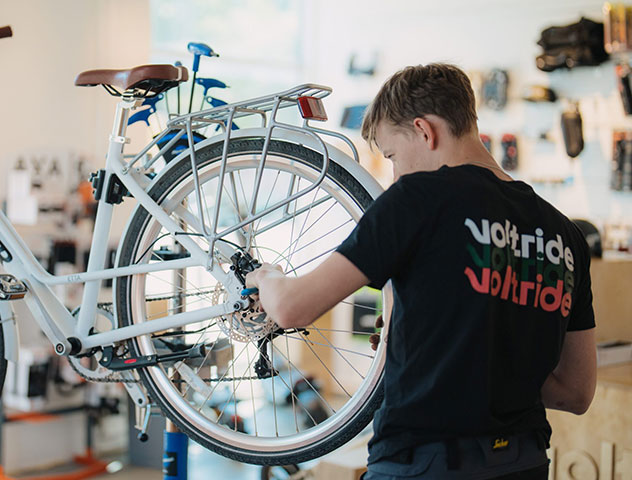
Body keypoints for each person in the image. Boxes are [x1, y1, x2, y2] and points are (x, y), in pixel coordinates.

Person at [244, 63, 596, 479]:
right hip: (524, 463)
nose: (393, 174)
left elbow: (291, 307)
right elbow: (576, 392)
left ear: (425, 130)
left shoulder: (418, 199)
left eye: (392, 155)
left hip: (426, 463)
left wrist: (265, 276)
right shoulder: (564, 233)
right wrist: (457, 354)